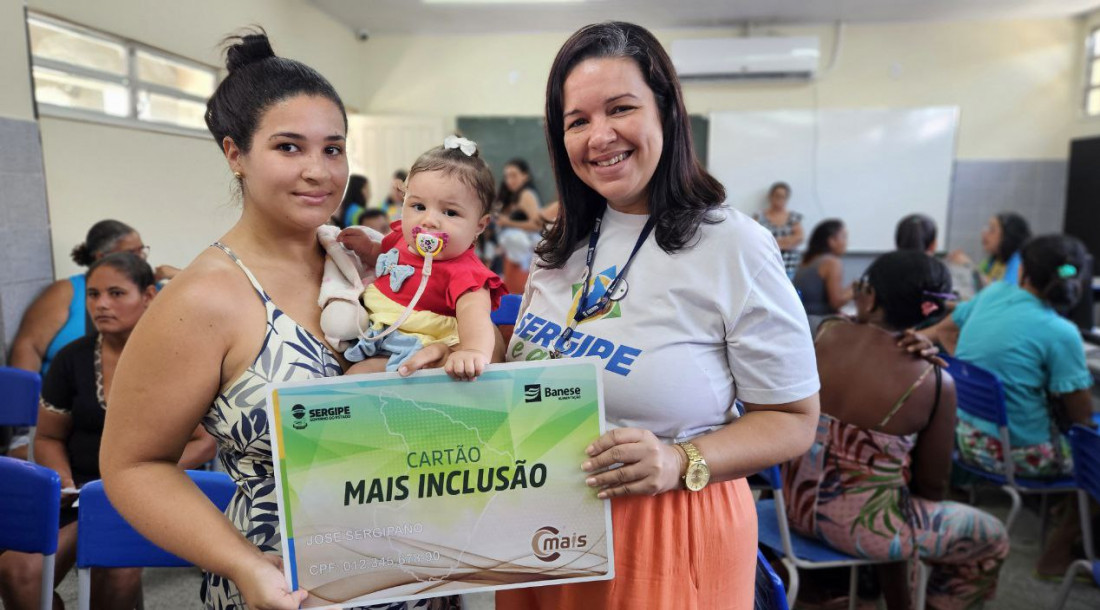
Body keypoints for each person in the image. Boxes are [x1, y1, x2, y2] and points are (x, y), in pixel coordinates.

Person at [98, 31, 458, 610]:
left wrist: (448, 363)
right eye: (289, 147)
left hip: (422, 577)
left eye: (333, 149)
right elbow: (133, 466)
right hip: (286, 588)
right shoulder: (205, 297)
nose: (318, 171)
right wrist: (241, 564)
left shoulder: (372, 265)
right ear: (235, 154)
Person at [497, 22, 820, 609]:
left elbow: (793, 419)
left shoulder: (733, 245)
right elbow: (542, 365)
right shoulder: (560, 243)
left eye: (620, 108)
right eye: (577, 121)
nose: (600, 136)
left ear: (666, 111)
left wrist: (678, 461)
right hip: (542, 530)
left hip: (666, 534)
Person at [786, 251, 1008, 610]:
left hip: (789, 511)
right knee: (992, 537)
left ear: (871, 296)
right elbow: (931, 487)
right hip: (863, 531)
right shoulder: (933, 379)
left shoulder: (823, 334)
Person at [0, 253, 215, 610]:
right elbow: (49, 437)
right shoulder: (72, 359)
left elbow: (205, 443)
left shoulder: (176, 357)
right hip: (81, 491)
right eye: (93, 294)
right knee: (17, 571)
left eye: (116, 293)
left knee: (114, 568)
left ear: (148, 296)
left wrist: (132, 480)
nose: (101, 304)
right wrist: (62, 479)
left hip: (150, 489)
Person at [330, 137, 506, 379]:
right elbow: (385, 259)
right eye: (418, 207)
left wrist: (472, 351)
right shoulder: (401, 239)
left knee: (358, 375)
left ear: (480, 225)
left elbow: (476, 318)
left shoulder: (466, 273)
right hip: (383, 331)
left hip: (420, 344)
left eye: (450, 212)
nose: (429, 221)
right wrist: (367, 249)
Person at [6, 220, 178, 460]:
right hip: (60, 417)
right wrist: (26, 418)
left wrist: (177, 275)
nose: (102, 304)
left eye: (142, 250)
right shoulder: (67, 303)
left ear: (147, 297)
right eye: (132, 252)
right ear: (100, 256)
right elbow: (28, 347)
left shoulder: (157, 301)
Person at [494, 158, 543, 294]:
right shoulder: (513, 196)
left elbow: (537, 225)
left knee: (519, 292)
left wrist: (507, 222)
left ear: (525, 175)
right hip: (513, 255)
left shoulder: (527, 195)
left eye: (514, 175)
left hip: (524, 255)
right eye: (507, 176)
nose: (510, 180)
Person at [947, 213, 1031, 289]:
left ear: (1007, 236)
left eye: (991, 230)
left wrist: (969, 265)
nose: (984, 233)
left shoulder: (1018, 261)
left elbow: (1005, 294)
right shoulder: (992, 261)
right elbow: (977, 286)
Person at [792, 219, 852, 324]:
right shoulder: (831, 262)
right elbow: (836, 302)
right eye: (843, 237)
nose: (846, 243)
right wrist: (855, 290)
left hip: (800, 320)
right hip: (819, 324)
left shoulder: (806, 261)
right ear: (831, 241)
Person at [753, 181, 804, 279]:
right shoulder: (759, 216)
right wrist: (786, 241)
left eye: (783, 197)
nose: (780, 199)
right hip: (766, 266)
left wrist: (773, 243)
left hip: (789, 266)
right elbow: (755, 239)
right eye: (777, 196)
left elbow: (798, 238)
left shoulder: (793, 217)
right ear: (770, 196)